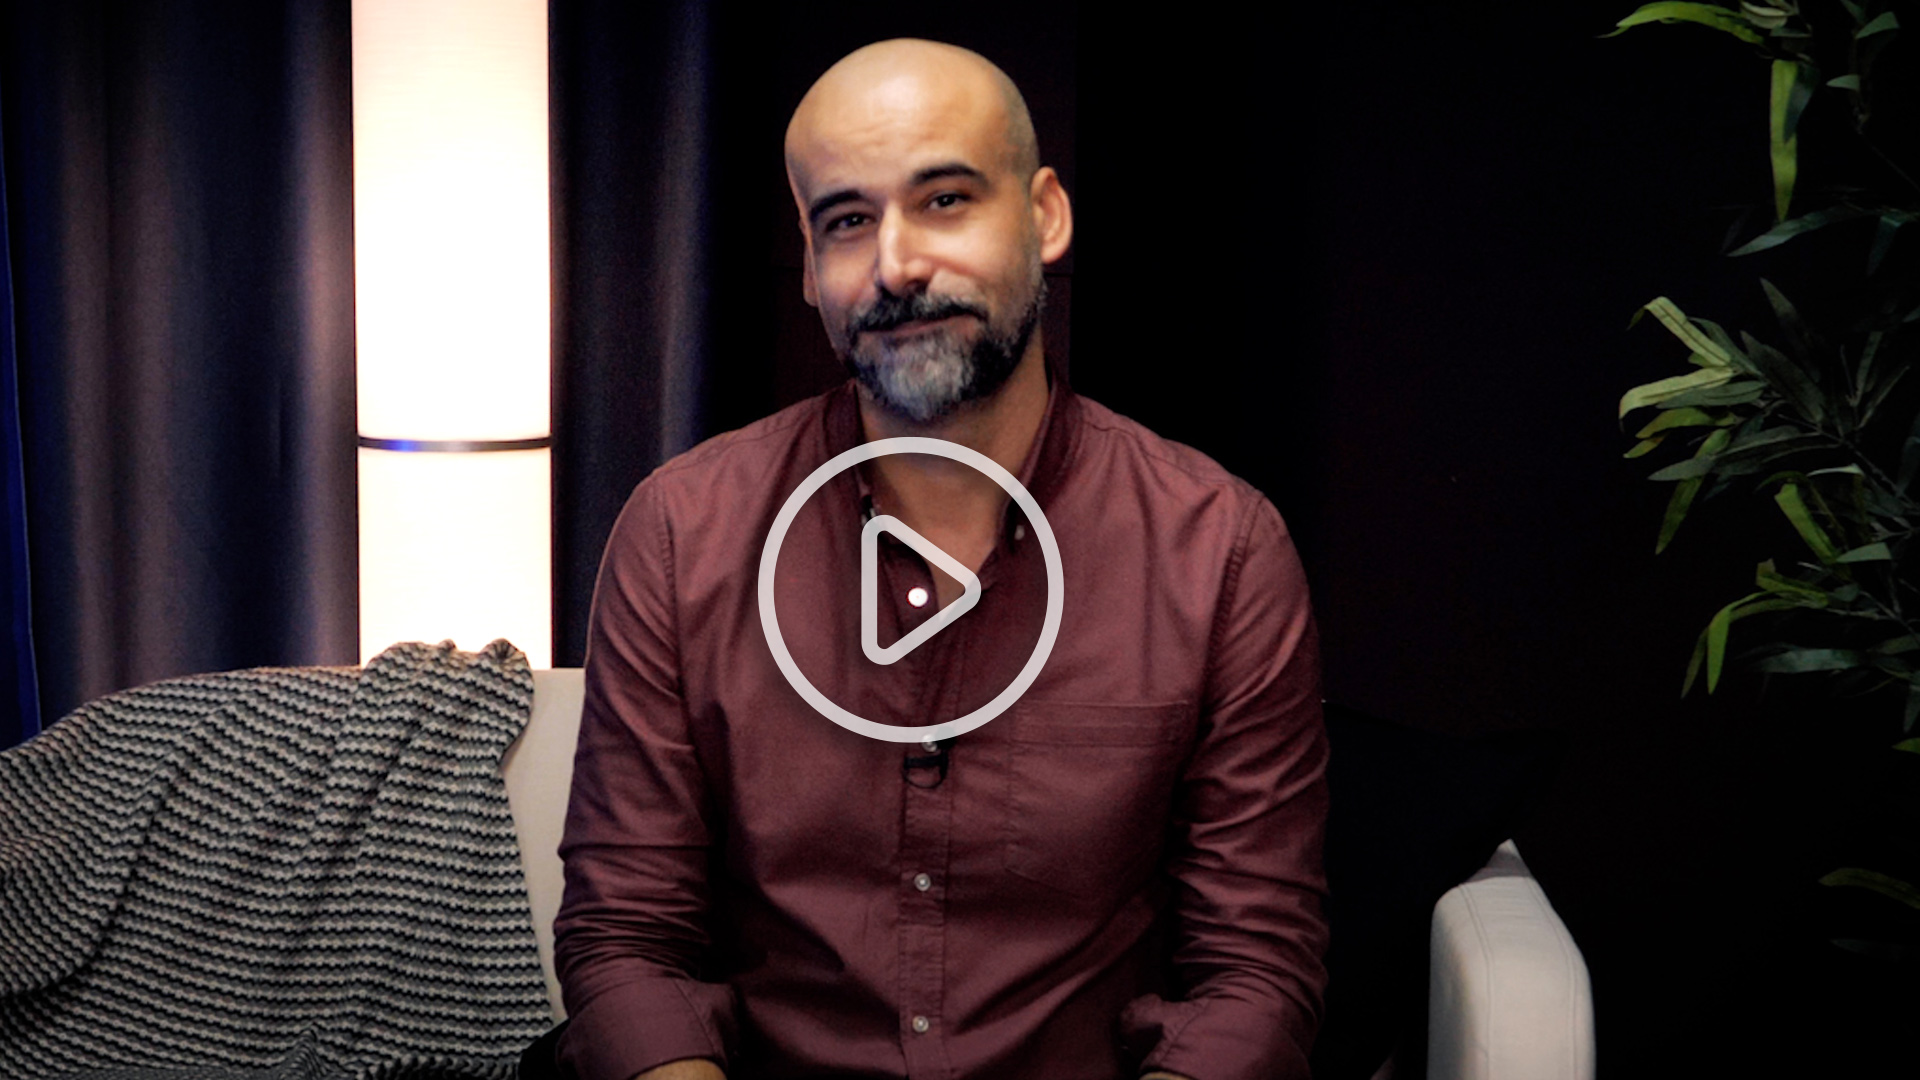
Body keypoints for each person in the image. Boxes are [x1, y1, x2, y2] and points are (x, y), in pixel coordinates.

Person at [553, 38, 1329, 1080]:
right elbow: (625, 943)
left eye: (947, 201)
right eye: (847, 221)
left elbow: (1255, 976)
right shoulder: (682, 532)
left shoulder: (1219, 550)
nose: (897, 266)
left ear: (1045, 216)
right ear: (808, 266)